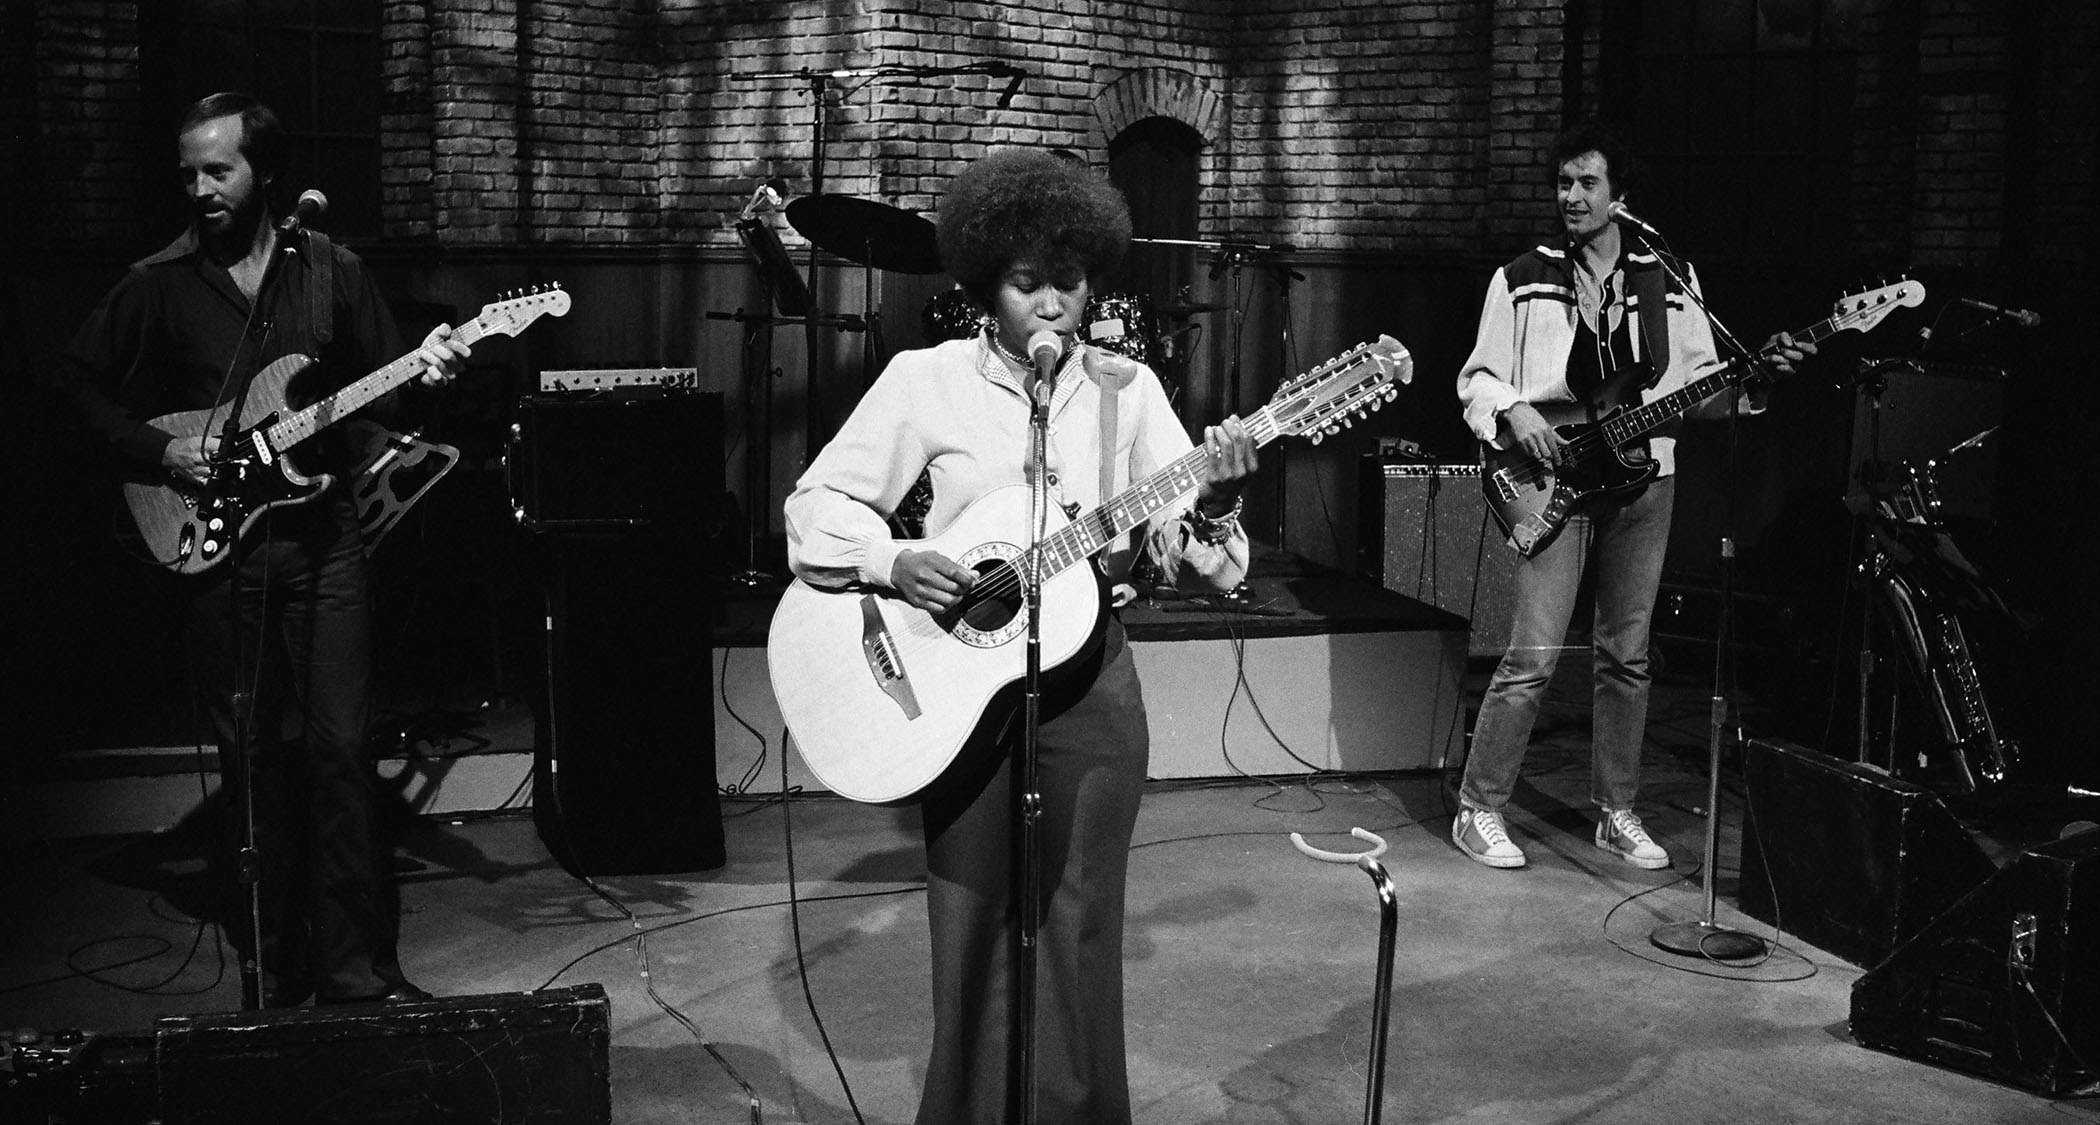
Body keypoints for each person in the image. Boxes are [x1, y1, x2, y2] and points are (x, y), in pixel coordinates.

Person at [783, 147, 1256, 1122]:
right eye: (1026, 282)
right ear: (984, 284)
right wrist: (893, 560)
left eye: (1068, 281)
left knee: (1081, 932)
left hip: (1094, 689)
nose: (1050, 303)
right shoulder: (926, 380)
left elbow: (1212, 564)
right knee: (969, 928)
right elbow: (812, 509)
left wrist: (1217, 501)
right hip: (959, 690)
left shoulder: (1128, 388)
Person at [60, 93, 469, 1005]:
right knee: (248, 756)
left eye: (219, 170)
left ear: (266, 173)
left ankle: (355, 968)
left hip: (325, 543)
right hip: (219, 547)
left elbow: (392, 394)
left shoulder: (330, 270)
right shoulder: (159, 281)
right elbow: (77, 383)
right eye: (189, 174)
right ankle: (272, 962)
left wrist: (432, 367)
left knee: (340, 749)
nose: (200, 188)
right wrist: (160, 450)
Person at [1450, 120, 1813, 871]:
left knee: (1628, 656)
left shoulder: (1668, 278)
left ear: (1621, 195)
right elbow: (1477, 379)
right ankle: (1478, 806)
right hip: (1551, 477)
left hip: (1647, 480)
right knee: (1533, 654)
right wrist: (1516, 410)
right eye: (1564, 183)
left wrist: (1759, 379)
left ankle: (1616, 811)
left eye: (1588, 182)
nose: (1572, 196)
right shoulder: (1521, 277)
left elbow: (1701, 392)